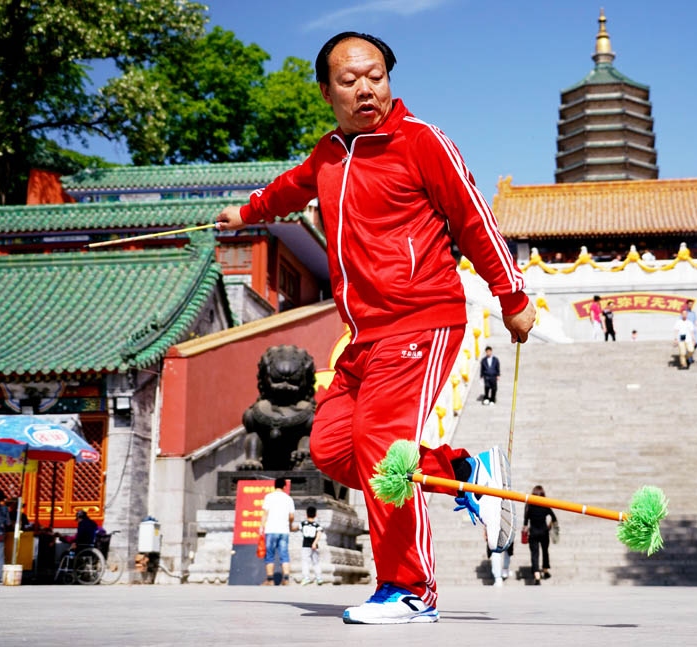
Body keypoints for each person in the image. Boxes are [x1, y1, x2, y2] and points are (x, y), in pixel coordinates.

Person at [216, 31, 535, 624]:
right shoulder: (329, 154)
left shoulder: (422, 143)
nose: (366, 88)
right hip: (363, 335)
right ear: (326, 91)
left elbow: (473, 217)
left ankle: (411, 589)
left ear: (389, 80)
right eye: (349, 79)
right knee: (334, 449)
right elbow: (290, 186)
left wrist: (511, 294)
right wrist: (246, 212)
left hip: (422, 318)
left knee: (385, 445)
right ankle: (463, 471)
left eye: (376, 76)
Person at [260, 478, 296, 586]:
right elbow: (291, 516)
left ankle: (270, 580)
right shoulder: (288, 499)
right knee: (284, 554)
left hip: (271, 529)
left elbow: (265, 513)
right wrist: (289, 524)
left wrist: (261, 526)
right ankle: (286, 578)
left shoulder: (269, 497)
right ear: (285, 486)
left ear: (274, 486)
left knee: (269, 554)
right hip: (284, 530)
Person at [522, 485, 557, 585]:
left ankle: (537, 575)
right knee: (545, 551)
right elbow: (554, 518)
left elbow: (525, 521)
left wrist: (525, 528)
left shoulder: (529, 505)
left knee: (534, 553)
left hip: (533, 532)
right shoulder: (545, 504)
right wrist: (549, 526)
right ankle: (545, 571)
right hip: (544, 532)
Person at [299, 505, 323, 586]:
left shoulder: (303, 524)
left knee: (305, 562)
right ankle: (319, 577)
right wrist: (315, 543)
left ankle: (306, 577)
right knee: (316, 562)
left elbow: (297, 528)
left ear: (306, 514)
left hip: (305, 545)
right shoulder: (317, 525)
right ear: (316, 515)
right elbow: (319, 534)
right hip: (314, 546)